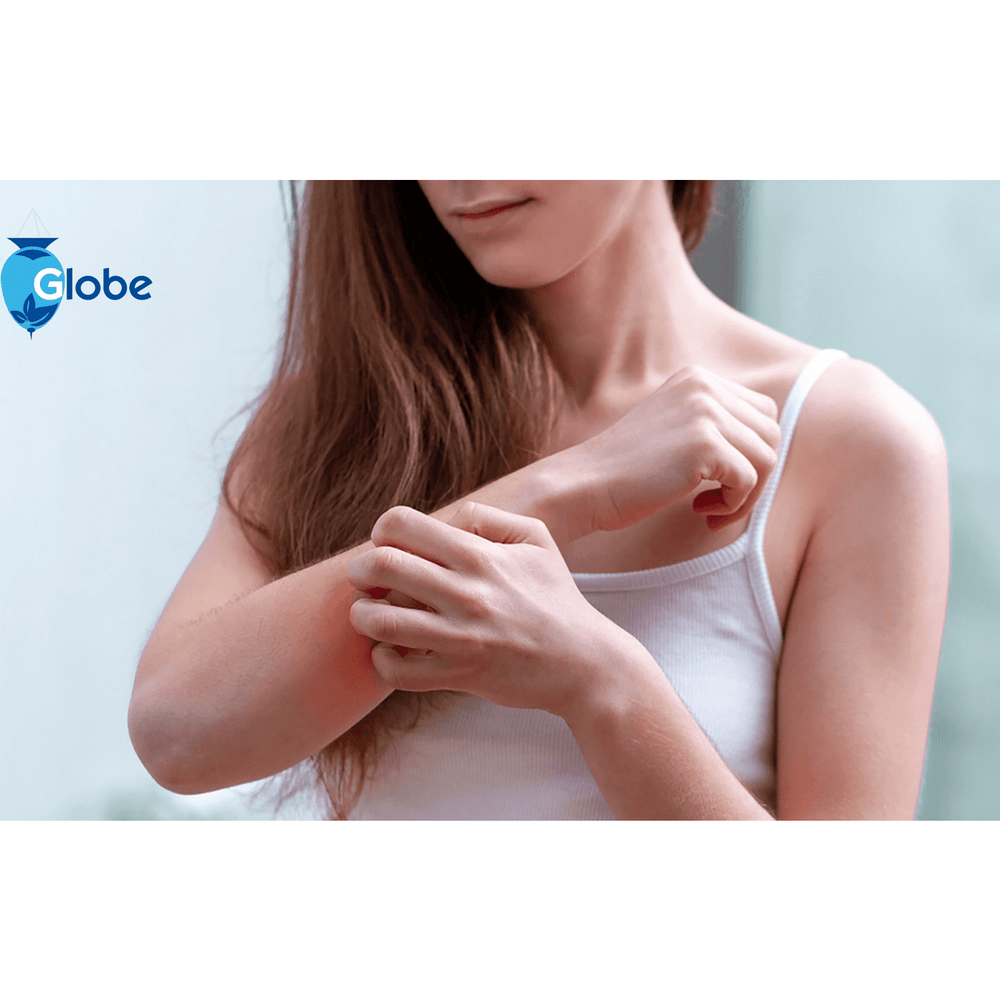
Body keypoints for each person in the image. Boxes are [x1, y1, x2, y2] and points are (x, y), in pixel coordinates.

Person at [128, 181, 950, 820]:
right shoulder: (339, 419)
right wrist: (568, 488)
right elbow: (176, 734)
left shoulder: (853, 441)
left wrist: (600, 682)